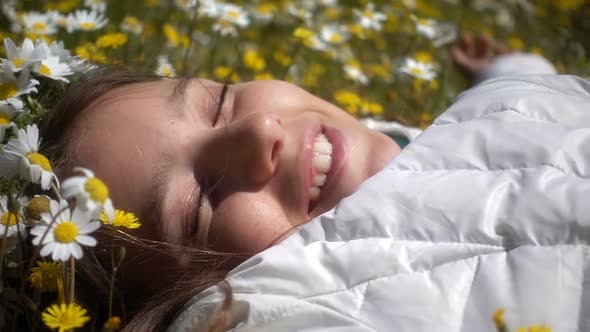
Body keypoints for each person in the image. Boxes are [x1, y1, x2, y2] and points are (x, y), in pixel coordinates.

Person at [41, 34, 562, 331]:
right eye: (200, 204)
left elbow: (522, 110)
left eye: (219, 100)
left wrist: (506, 67)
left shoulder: (442, 126)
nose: (260, 129)